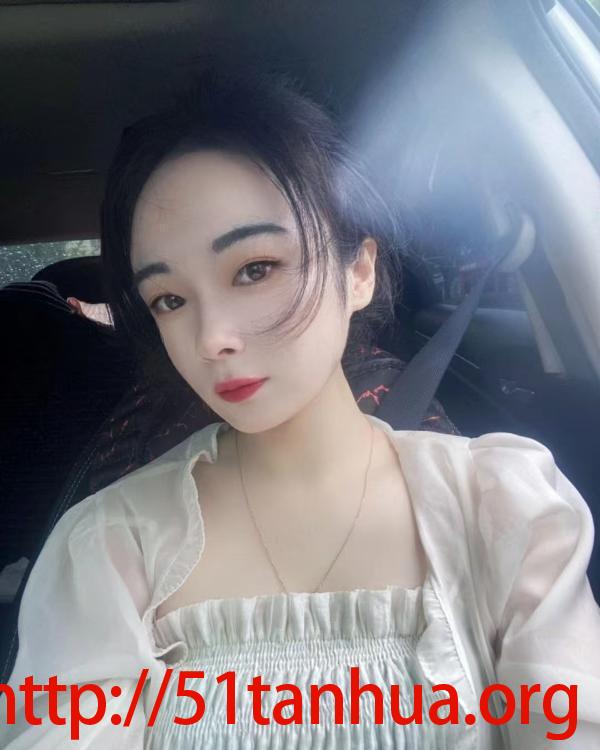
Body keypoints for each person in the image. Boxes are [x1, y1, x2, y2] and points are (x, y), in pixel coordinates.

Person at [1, 69, 599, 750]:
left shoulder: (502, 510)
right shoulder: (110, 547)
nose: (211, 337)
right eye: (170, 299)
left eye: (255, 268)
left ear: (359, 270)